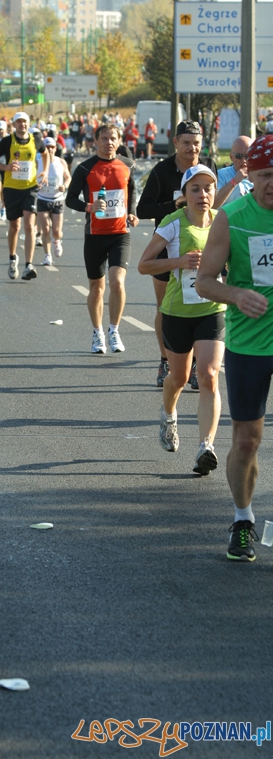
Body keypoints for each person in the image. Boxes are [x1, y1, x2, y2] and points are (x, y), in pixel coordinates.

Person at [195, 134, 273, 561]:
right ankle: (242, 519)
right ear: (251, 174)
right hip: (250, 343)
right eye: (264, 175)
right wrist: (236, 294)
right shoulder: (232, 216)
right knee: (246, 440)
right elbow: (204, 280)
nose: (271, 184)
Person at [138, 165, 225, 474]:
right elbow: (144, 265)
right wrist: (179, 261)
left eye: (208, 188)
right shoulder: (172, 223)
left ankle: (206, 446)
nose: (203, 194)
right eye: (196, 189)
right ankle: (169, 414)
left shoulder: (221, 223)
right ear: (185, 195)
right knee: (178, 377)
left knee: (209, 376)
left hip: (212, 311)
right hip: (177, 312)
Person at [137, 120, 218, 387]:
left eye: (196, 142)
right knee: (167, 307)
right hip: (167, 244)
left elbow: (215, 200)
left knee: (202, 305)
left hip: (202, 244)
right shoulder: (162, 170)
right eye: (186, 142)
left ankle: (195, 365)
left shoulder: (208, 166)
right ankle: (166, 361)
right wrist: (176, 204)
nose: (192, 148)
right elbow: (143, 209)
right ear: (176, 143)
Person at [66, 123, 138, 353]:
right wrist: (89, 207)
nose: (109, 143)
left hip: (120, 234)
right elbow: (70, 199)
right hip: (95, 235)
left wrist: (132, 212)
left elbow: (132, 190)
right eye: (104, 138)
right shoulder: (85, 168)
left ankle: (114, 330)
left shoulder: (127, 164)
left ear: (119, 141)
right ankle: (97, 333)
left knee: (117, 282)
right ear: (96, 141)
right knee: (97, 288)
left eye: (113, 138)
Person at [0, 111, 49, 281]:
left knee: (30, 225)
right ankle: (12, 258)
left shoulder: (35, 138)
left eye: (25, 122)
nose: (22, 125)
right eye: (19, 122)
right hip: (11, 188)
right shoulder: (7, 141)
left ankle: (29, 264)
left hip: (30, 188)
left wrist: (44, 171)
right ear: (14, 125)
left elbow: (46, 154)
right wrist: (6, 167)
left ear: (28, 124)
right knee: (15, 227)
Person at [36, 137, 71, 266]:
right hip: (43, 198)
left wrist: (65, 186)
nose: (50, 149)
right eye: (47, 147)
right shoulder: (38, 162)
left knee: (56, 231)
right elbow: (32, 178)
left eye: (52, 147)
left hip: (57, 199)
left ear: (56, 148)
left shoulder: (61, 162)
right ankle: (47, 256)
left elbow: (68, 177)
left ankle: (57, 241)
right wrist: (36, 185)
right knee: (45, 229)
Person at [214, 136, 253, 208]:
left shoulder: (259, 176)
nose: (244, 160)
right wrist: (234, 181)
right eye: (239, 156)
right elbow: (213, 205)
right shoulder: (221, 175)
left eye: (247, 156)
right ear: (231, 157)